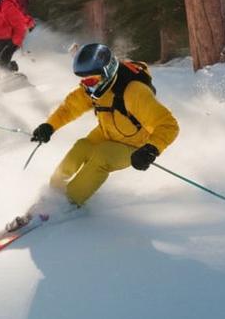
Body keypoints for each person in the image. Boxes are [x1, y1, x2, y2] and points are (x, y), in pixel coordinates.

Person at [11, 43, 179, 230]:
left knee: (102, 156)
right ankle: (52, 195)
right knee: (81, 147)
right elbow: (70, 107)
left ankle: (69, 203)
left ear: (106, 72)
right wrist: (49, 126)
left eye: (89, 81)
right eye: (82, 81)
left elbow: (168, 125)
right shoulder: (93, 89)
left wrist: (151, 149)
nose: (86, 86)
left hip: (135, 144)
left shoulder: (134, 92)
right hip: (108, 132)